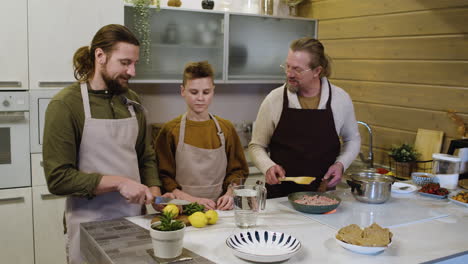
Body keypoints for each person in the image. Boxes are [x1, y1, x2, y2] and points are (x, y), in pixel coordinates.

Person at [42, 24, 164, 264]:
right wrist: (119, 183)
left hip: (134, 221)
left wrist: (156, 193)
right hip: (88, 225)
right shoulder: (66, 105)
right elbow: (58, 178)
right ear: (100, 56)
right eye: (125, 62)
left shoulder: (132, 102)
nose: (132, 71)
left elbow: (145, 156)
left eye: (135, 63)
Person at [249, 37, 361, 198]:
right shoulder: (275, 99)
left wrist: (341, 164)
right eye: (287, 66)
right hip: (280, 198)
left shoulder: (340, 99)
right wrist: (267, 166)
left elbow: (353, 139)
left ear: (317, 71)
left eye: (297, 69)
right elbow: (256, 145)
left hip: (323, 196)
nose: (289, 74)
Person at [154, 61, 249, 210]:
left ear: (213, 91)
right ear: (182, 91)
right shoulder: (171, 130)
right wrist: (191, 200)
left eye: (206, 92)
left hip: (220, 210)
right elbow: (163, 176)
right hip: (183, 208)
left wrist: (230, 193)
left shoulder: (226, 128)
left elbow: (238, 171)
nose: (200, 98)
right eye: (193, 92)